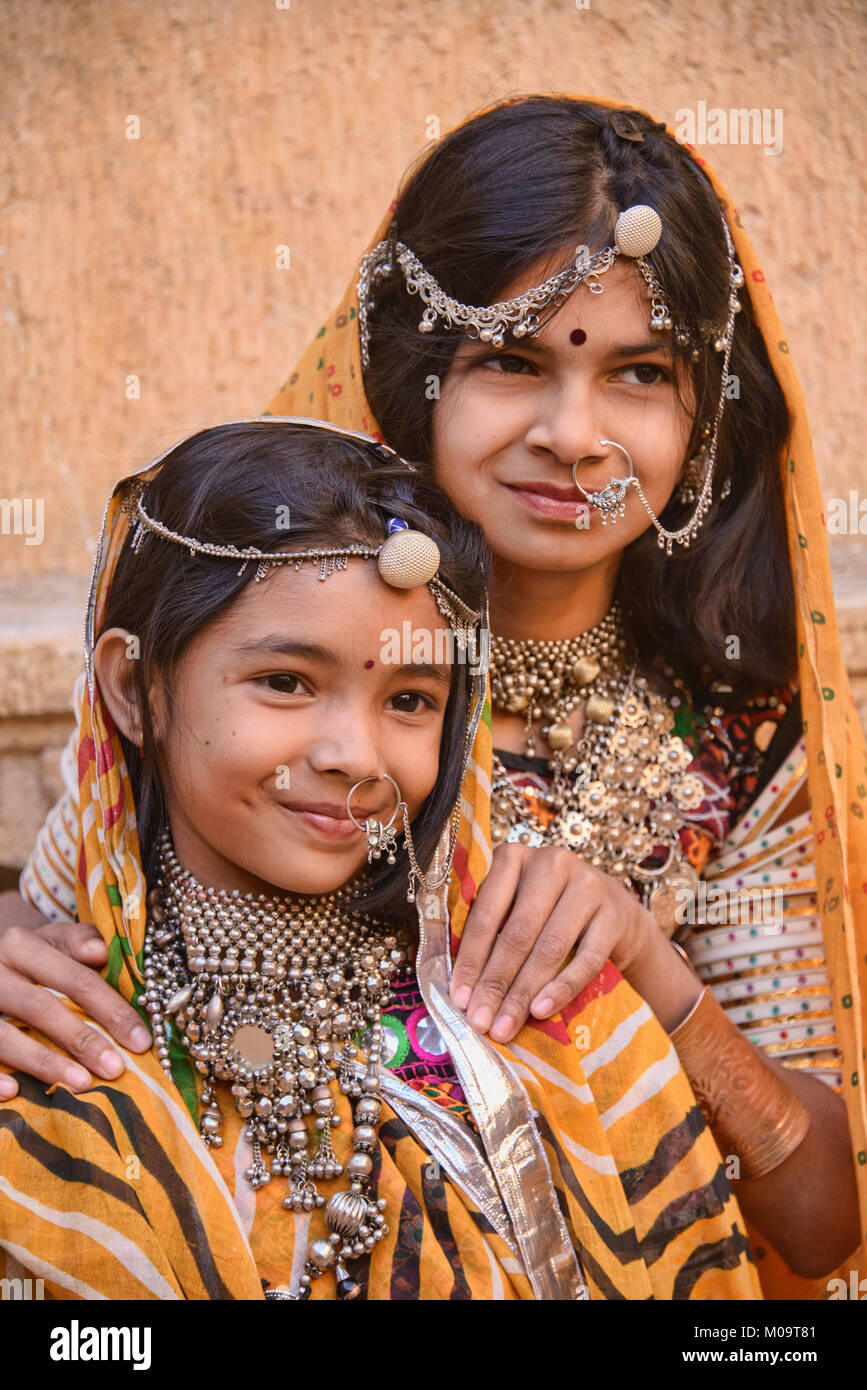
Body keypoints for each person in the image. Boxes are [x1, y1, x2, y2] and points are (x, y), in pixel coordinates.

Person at [3, 95, 865, 1295]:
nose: (574, 433)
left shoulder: (729, 740)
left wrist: (645, 967)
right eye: (512, 361)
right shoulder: (241, 654)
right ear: (416, 372)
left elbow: (824, 1225)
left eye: (640, 373)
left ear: (701, 413)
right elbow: (77, 945)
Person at [0, 418, 762, 1300]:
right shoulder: (50, 1037)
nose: (354, 757)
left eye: (408, 699)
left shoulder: (552, 1014)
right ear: (134, 690)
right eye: (286, 682)